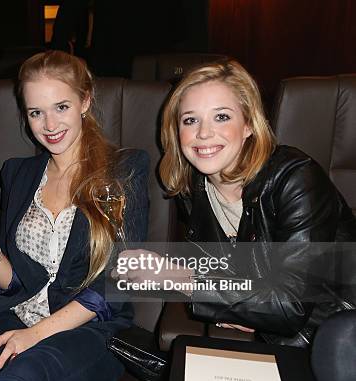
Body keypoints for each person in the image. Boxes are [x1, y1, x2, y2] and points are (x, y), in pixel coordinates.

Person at [0, 50, 149, 381]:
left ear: (85, 101)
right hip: (12, 314)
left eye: (61, 107)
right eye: (35, 112)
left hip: (87, 331)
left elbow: (119, 282)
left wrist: (36, 335)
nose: (49, 125)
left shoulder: (124, 169)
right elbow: (14, 283)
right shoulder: (18, 173)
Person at [119, 59, 356, 347]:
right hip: (275, 338)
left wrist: (173, 275)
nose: (203, 133)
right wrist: (247, 306)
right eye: (190, 120)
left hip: (338, 334)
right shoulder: (191, 187)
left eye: (221, 117)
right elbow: (225, 270)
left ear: (248, 124)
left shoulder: (296, 178)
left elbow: (290, 306)